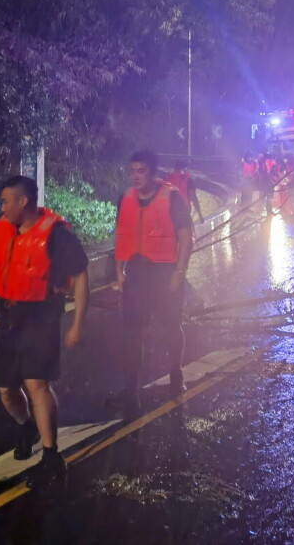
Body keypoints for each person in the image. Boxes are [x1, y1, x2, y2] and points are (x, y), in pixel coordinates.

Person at [0, 176, 89, 485]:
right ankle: (25, 426)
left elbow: (81, 275)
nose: (2, 207)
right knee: (6, 390)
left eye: (6, 201)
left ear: (23, 201)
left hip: (41, 317)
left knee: (37, 385)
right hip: (10, 316)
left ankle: (51, 457)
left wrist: (77, 323)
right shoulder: (4, 226)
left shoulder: (55, 234)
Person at [113, 149, 193, 414]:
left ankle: (175, 373)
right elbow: (122, 235)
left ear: (153, 172)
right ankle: (130, 389)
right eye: (132, 170)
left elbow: (186, 239)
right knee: (132, 332)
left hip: (165, 273)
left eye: (141, 171)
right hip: (137, 273)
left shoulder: (172, 199)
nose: (135, 176)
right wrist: (119, 271)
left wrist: (178, 274)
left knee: (171, 327)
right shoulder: (125, 198)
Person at [165, 159, 205, 224]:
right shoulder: (188, 179)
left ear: (175, 168)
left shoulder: (168, 178)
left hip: (170, 211)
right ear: (183, 169)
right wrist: (200, 215)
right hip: (184, 210)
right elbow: (193, 197)